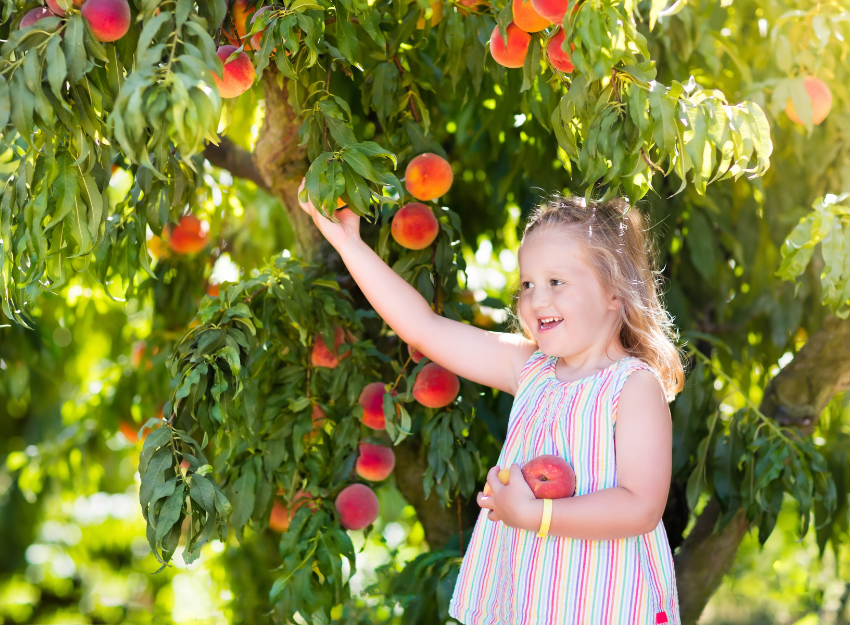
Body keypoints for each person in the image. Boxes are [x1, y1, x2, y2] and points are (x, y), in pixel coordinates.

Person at [299, 190, 685, 624]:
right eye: (527, 284)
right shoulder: (531, 368)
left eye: (556, 282)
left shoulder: (632, 386)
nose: (537, 300)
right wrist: (349, 242)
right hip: (528, 602)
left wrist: (534, 515)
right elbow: (423, 328)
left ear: (614, 292)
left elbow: (640, 507)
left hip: (605, 603)